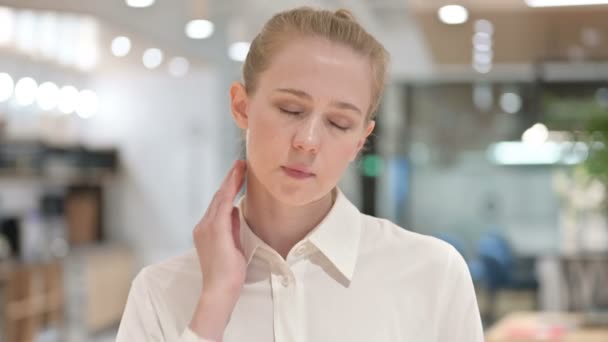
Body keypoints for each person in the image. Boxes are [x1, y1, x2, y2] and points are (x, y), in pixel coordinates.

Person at [116, 7, 484, 342]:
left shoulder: (433, 273)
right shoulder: (160, 292)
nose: (308, 141)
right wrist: (212, 306)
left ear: (360, 141)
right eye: (291, 109)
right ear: (242, 106)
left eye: (339, 123)